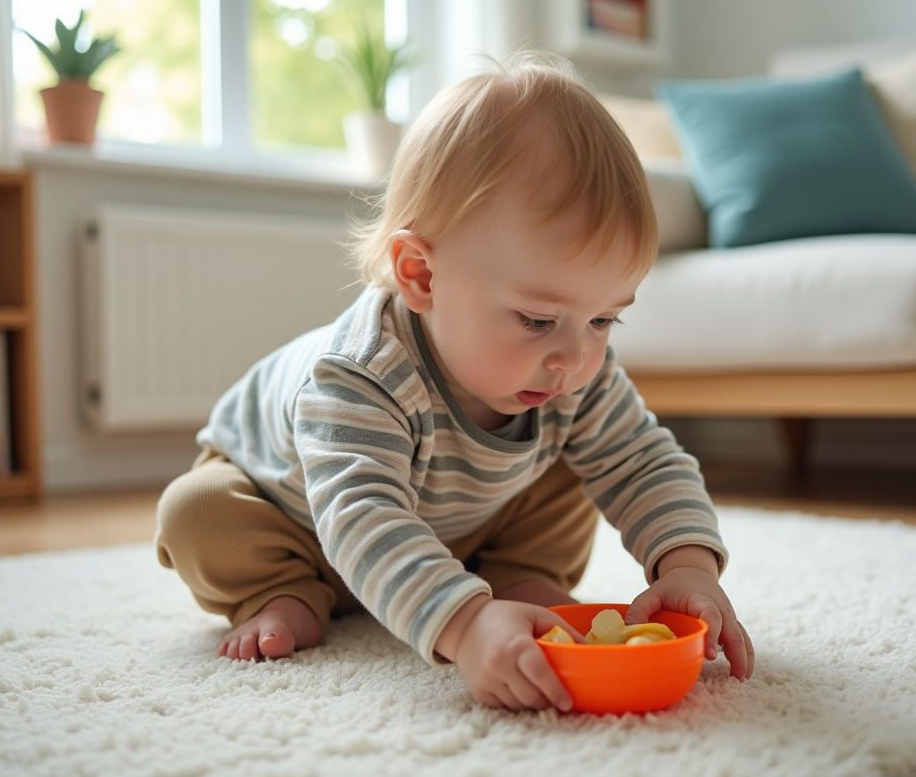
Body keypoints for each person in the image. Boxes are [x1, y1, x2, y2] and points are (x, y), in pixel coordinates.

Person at [155, 53, 754, 712]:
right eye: (536, 319)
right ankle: (281, 591)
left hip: (461, 524)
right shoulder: (361, 373)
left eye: (605, 318)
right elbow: (362, 515)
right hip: (297, 519)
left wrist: (689, 567)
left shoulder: (571, 369)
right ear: (420, 277)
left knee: (572, 466)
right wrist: (464, 627)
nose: (573, 358)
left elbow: (642, 461)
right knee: (196, 513)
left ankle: (516, 580)